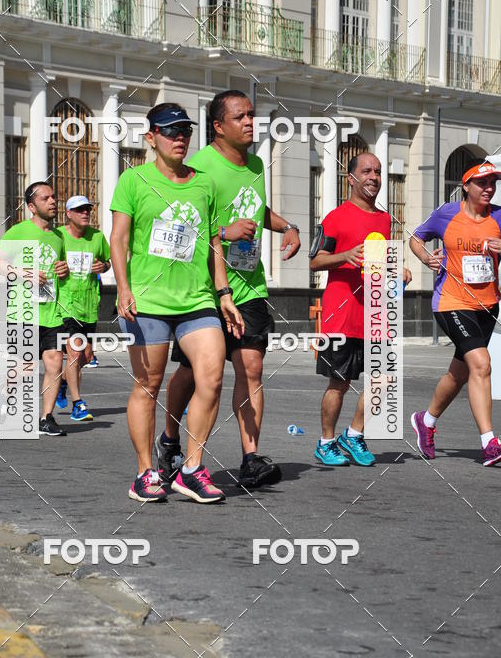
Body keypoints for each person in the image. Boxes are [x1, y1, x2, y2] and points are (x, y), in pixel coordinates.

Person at [157, 90, 301, 488]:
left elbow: (256, 208)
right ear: (218, 126)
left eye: (252, 115)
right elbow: (181, 227)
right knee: (192, 373)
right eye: (241, 117)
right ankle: (169, 441)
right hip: (204, 289)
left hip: (250, 285)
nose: (250, 122)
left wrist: (287, 226)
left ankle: (250, 458)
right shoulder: (198, 167)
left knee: (251, 368)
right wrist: (224, 231)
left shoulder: (255, 164)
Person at [110, 102, 244, 503]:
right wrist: (121, 287)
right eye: (170, 131)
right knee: (147, 386)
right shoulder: (133, 181)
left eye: (185, 130)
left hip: (197, 299)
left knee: (213, 378)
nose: (180, 137)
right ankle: (145, 473)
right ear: (151, 138)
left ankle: (191, 468)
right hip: (147, 301)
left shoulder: (204, 184)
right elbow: (118, 239)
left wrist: (224, 294)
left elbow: (214, 244)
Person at [310, 152, 410, 466]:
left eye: (378, 172)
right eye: (366, 171)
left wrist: (398, 269)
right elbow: (314, 260)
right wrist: (345, 255)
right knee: (339, 383)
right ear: (350, 179)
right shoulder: (335, 217)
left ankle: (353, 435)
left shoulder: (384, 219)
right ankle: (326, 443)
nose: (374, 177)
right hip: (341, 314)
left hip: (376, 312)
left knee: (383, 378)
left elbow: (380, 262)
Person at [410, 161, 501, 466]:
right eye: (482, 183)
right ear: (467, 186)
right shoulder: (446, 214)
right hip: (451, 302)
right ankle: (489, 442)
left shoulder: (500, 216)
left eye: (493, 183)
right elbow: (416, 237)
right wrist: (426, 259)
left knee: (460, 373)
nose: (489, 188)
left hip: (487, 305)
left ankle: (427, 420)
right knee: (482, 363)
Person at [0, 182, 69, 436]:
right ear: (32, 207)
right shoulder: (18, 232)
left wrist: (63, 270)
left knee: (55, 362)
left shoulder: (58, 236)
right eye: (46, 198)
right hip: (23, 310)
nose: (53, 201)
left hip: (51, 310)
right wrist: (24, 273)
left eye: (54, 196)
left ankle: (46, 418)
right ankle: (5, 392)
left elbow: (60, 269)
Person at [56, 195, 111, 421]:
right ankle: (78, 403)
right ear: (68, 214)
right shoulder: (57, 236)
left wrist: (103, 266)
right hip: (66, 304)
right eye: (79, 210)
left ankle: (60, 383)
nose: (85, 213)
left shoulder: (97, 236)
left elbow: (107, 261)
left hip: (90, 304)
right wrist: (56, 268)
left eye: (88, 209)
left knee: (86, 357)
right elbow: (44, 262)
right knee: (75, 352)